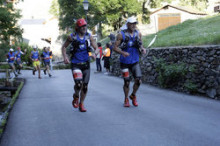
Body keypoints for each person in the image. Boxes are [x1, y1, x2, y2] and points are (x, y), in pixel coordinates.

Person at [61, 18, 99, 112]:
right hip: (75, 64)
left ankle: (81, 103)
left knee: (85, 86)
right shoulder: (72, 37)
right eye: (82, 26)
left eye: (85, 26)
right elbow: (64, 47)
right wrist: (65, 57)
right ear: (77, 27)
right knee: (78, 84)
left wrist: (95, 53)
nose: (84, 27)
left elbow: (96, 47)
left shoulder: (89, 36)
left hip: (86, 63)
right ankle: (76, 95)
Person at [113, 16, 146, 107]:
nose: (133, 25)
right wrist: (122, 52)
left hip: (135, 61)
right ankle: (126, 99)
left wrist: (143, 49)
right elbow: (114, 47)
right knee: (127, 81)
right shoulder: (121, 34)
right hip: (124, 62)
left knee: (138, 80)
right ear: (127, 24)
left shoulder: (138, 34)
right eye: (131, 23)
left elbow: (140, 45)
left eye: (135, 23)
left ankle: (133, 95)